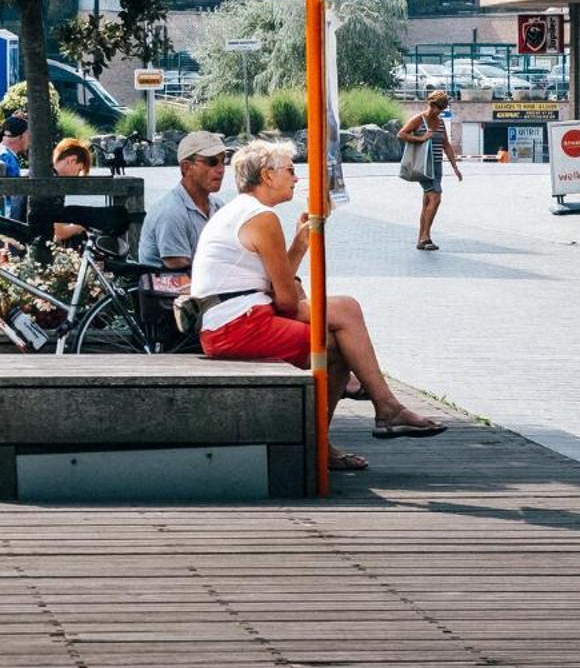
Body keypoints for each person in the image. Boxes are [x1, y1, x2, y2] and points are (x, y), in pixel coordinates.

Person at [189, 139, 445, 472]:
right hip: (237, 325)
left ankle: (358, 424)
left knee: (340, 331)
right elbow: (283, 299)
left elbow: (274, 283)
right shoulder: (260, 217)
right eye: (290, 171)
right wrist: (303, 300)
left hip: (232, 319)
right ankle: (375, 414)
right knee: (344, 320)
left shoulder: (243, 211)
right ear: (267, 175)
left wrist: (300, 242)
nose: (296, 179)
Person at [137, 130, 229, 271]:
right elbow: (180, 272)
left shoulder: (219, 207)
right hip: (174, 290)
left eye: (224, 161)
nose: (221, 169)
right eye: (212, 162)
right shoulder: (171, 213)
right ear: (186, 167)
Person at [397, 89, 462, 251]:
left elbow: (445, 144)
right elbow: (401, 134)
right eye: (438, 108)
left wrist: (455, 167)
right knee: (436, 198)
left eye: (442, 109)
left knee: (427, 201)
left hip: (437, 166)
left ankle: (422, 238)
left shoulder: (440, 123)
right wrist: (420, 138)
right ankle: (425, 237)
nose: (439, 111)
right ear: (431, 105)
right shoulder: (419, 119)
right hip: (424, 166)